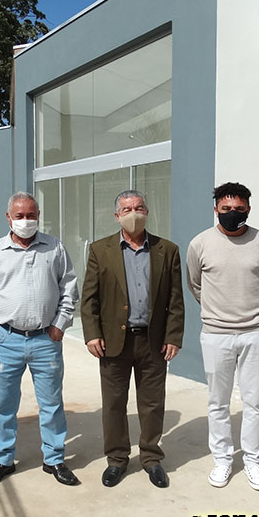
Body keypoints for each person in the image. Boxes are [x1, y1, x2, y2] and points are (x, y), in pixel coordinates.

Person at [81, 190, 184, 489]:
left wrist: (173, 336)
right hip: (114, 341)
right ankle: (117, 458)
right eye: (126, 209)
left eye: (139, 208)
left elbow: (175, 299)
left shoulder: (167, 250)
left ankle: (151, 457)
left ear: (147, 212)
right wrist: (92, 334)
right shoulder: (100, 250)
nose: (133, 214)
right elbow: (89, 298)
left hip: (153, 341)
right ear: (117, 216)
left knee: (152, 403)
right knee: (114, 403)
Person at [0, 192, 79, 487]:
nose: (25, 221)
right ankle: (3, 460)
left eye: (31, 215)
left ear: (38, 216)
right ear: (8, 218)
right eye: (19, 216)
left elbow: (69, 288)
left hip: (46, 339)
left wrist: (60, 324)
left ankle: (54, 459)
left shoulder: (54, 247)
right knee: (3, 405)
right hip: (6, 339)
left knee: (51, 403)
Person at [186, 183, 259, 491]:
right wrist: (217, 309)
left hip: (255, 332)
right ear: (216, 210)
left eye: (238, 209)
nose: (232, 214)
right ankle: (223, 459)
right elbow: (195, 284)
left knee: (255, 403)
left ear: (248, 209)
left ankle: (253, 460)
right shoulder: (200, 243)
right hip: (216, 334)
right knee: (218, 402)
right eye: (226, 209)